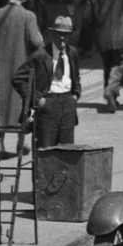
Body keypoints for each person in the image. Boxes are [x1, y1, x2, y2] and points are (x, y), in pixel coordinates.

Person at [29, 15, 83, 148]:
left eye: (66, 34)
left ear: (70, 35)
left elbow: (76, 77)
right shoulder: (41, 55)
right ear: (52, 34)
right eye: (59, 34)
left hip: (68, 105)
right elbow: (19, 79)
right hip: (48, 105)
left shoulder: (72, 53)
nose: (62, 38)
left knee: (67, 151)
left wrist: (75, 95)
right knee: (45, 150)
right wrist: (37, 99)